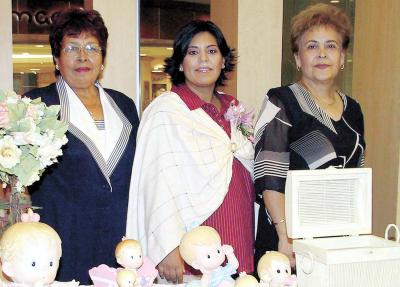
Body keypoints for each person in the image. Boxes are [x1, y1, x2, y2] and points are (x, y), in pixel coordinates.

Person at [126, 20, 255, 283]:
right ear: (181, 62)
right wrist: (168, 247)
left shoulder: (233, 108)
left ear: (223, 60)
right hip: (193, 241)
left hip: (237, 228)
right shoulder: (167, 111)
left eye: (211, 51)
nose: (203, 59)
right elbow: (156, 182)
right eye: (193, 52)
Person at [25, 8, 139, 284]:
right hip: (64, 241)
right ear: (56, 58)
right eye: (72, 47)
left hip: (121, 241)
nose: (83, 56)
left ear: (102, 59)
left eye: (92, 48)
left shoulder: (124, 105)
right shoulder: (37, 106)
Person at [253, 3, 366, 268]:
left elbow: (356, 176)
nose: (322, 54)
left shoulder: (354, 110)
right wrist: (286, 235)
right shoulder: (281, 101)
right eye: (312, 46)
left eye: (331, 45)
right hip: (290, 239)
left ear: (342, 58)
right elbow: (269, 176)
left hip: (338, 237)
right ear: (298, 58)